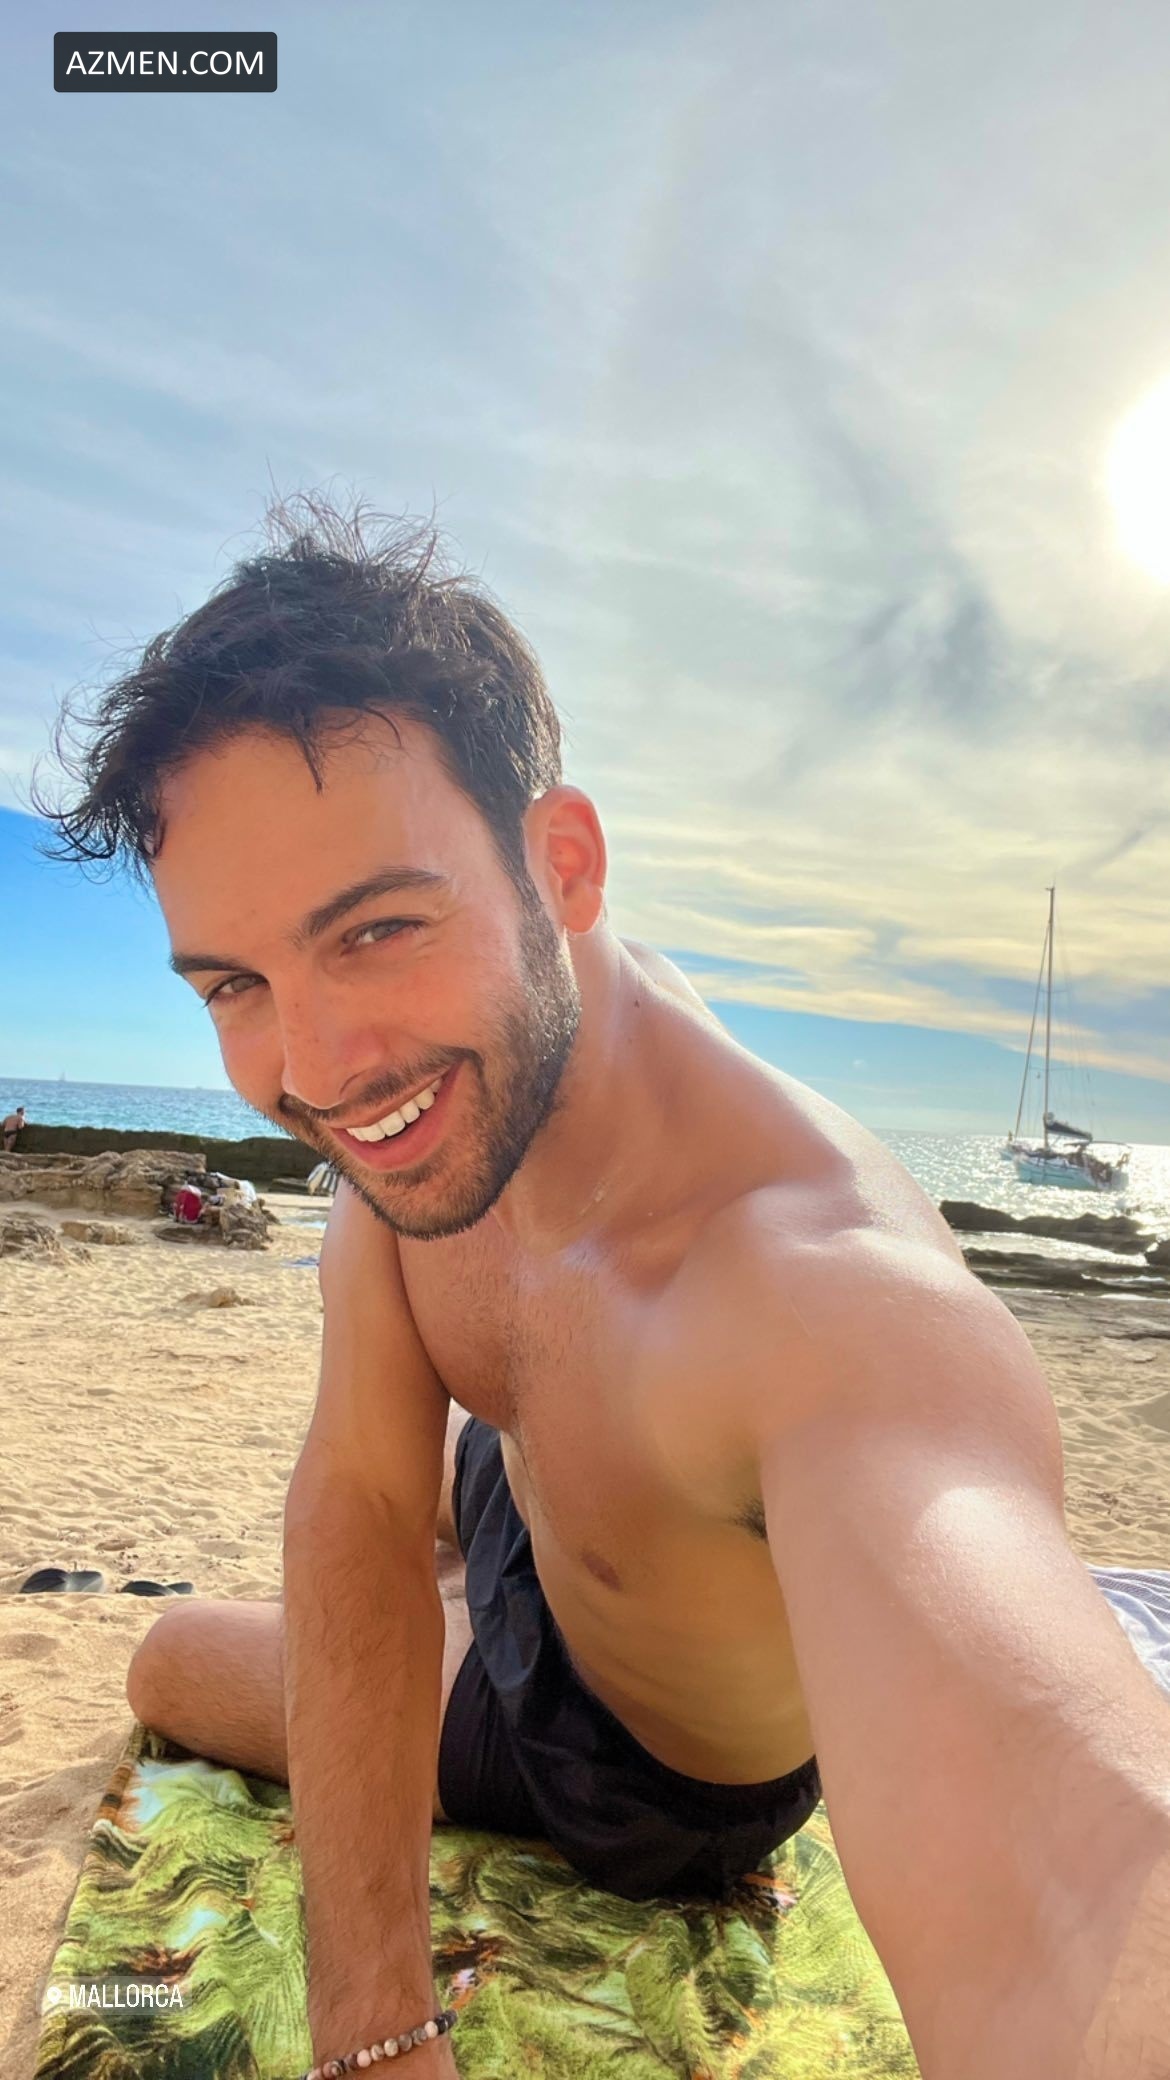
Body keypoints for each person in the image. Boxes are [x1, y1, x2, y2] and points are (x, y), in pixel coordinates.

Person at [41, 499, 1170, 2080]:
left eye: (376, 928)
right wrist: (373, 2020)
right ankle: (492, 1559)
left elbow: (1077, 1880)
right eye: (235, 981)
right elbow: (359, 1489)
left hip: (627, 1764)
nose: (312, 1068)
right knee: (452, 1461)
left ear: (560, 866)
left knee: (172, 1659)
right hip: (529, 1491)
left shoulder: (820, 1295)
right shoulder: (463, 1090)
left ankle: (489, 1601)